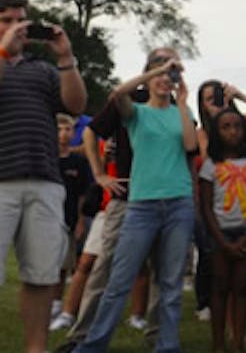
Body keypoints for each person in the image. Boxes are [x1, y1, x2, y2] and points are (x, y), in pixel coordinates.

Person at [75, 49, 197, 353]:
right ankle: (92, 345)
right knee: (119, 281)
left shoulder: (182, 111)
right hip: (142, 206)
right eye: (158, 73)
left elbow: (190, 145)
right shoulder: (137, 113)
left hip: (178, 203)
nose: (165, 79)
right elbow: (118, 93)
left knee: (170, 284)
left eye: (170, 75)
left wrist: (182, 103)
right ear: (149, 76)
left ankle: (167, 346)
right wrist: (100, 175)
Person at [0, 0, 86, 353]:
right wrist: (3, 52)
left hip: (45, 179)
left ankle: (36, 349)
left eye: (21, 20)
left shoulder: (41, 68)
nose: (16, 27)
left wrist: (66, 58)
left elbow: (76, 106)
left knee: (41, 276)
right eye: (6, 20)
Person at [199, 108, 246, 353]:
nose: (232, 132)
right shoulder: (211, 164)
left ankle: (238, 342)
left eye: (237, 126)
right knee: (219, 287)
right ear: (217, 133)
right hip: (220, 233)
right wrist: (222, 240)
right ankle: (218, 344)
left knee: (241, 287)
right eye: (225, 127)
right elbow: (206, 206)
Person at [52, 113, 93, 325]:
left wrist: (79, 220)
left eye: (68, 130)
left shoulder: (78, 162)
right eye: (59, 129)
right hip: (47, 218)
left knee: (64, 264)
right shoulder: (46, 158)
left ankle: (58, 303)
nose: (64, 134)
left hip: (68, 219)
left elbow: (82, 194)